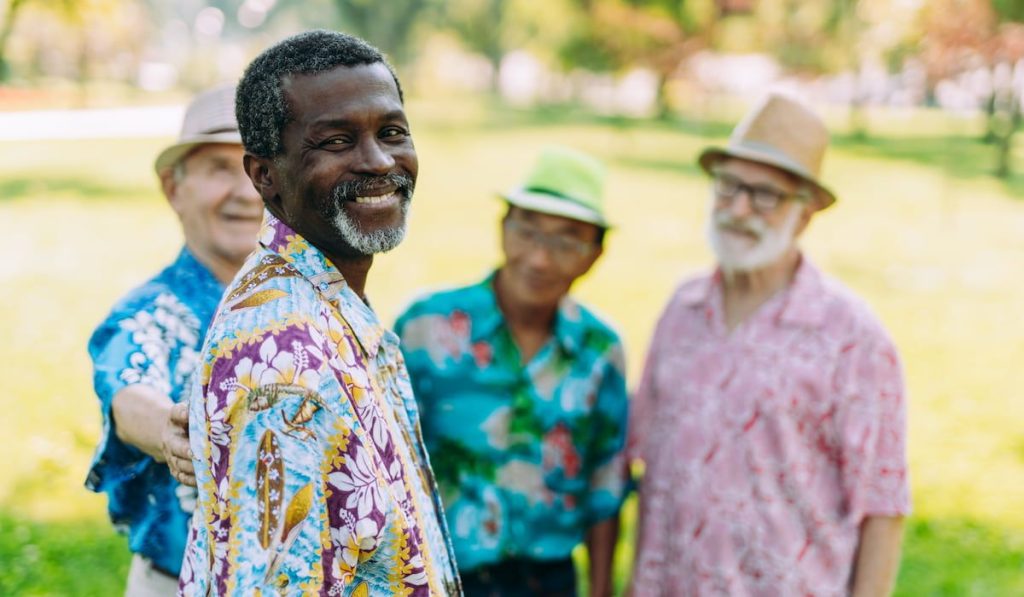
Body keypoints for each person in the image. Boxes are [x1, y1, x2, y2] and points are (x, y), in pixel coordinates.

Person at [177, 30, 461, 596]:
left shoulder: (332, 305)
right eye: (335, 141)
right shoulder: (282, 364)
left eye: (392, 132)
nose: (379, 161)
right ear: (264, 176)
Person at [627, 92, 910, 596]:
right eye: (728, 186)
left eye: (765, 196)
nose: (738, 209)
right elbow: (651, 469)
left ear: (804, 214)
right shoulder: (682, 309)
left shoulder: (852, 338)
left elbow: (883, 507)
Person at [395, 146, 630, 596]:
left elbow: (606, 481)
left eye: (566, 241)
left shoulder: (600, 350)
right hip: (444, 575)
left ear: (595, 254)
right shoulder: (427, 326)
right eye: (528, 231)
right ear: (503, 229)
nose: (540, 259)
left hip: (548, 579)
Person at [85, 84, 262, 596]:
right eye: (219, 169)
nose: (245, 193)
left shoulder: (312, 305)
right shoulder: (148, 314)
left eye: (256, 169)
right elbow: (128, 391)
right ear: (173, 187)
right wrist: (170, 427)